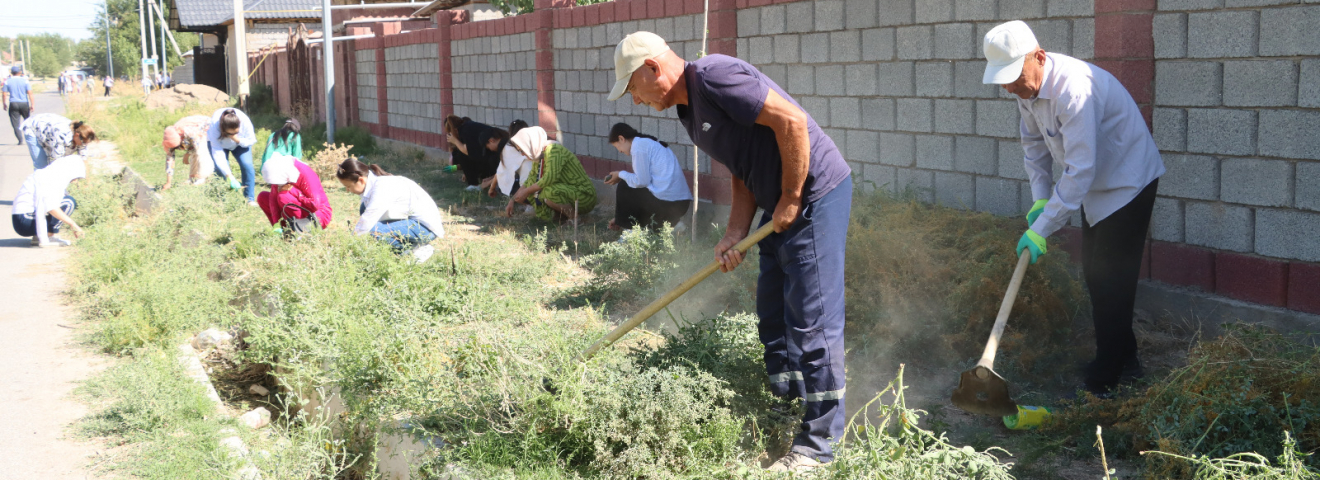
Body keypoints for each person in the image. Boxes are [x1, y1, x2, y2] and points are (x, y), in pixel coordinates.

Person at [608, 31, 852, 471]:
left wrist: (793, 197)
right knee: (772, 313)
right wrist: (734, 232)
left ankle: (818, 446)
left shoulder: (715, 77)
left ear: (652, 69)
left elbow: (792, 122)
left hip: (815, 193)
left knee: (812, 319)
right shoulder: (688, 111)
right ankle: (787, 403)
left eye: (632, 89)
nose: (635, 102)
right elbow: (743, 169)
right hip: (777, 200)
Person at [982, 21, 1165, 396]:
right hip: (1095, 186)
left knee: (1111, 279)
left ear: (1039, 56)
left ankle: (1109, 376)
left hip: (1128, 182)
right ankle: (1124, 359)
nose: (1010, 88)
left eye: (1014, 77)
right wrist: (1039, 198)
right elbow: (1033, 146)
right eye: (1003, 81)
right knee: (1096, 274)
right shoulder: (1026, 89)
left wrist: (1042, 228)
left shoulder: (1074, 90)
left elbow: (1080, 170)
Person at [335, 158, 444, 262]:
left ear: (361, 180)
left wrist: (349, 246)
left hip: (425, 228)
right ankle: (397, 252)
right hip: (410, 222)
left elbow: (367, 221)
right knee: (364, 210)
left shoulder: (382, 187)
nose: (347, 190)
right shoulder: (374, 185)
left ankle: (413, 249)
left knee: (372, 232)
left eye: (348, 186)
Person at [603, 122, 693, 232]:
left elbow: (641, 182)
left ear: (621, 139)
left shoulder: (638, 147)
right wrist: (619, 218)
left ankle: (629, 235)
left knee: (625, 186)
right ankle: (675, 225)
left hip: (669, 203)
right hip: (680, 204)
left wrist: (620, 174)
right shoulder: (646, 143)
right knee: (636, 194)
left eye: (617, 146)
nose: (619, 151)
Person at [504, 126, 597, 222]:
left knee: (548, 192)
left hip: (584, 196)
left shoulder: (554, 150)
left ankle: (575, 219)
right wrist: (513, 200)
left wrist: (526, 192)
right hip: (570, 192)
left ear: (531, 144)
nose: (522, 154)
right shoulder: (540, 154)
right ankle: (561, 217)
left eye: (522, 150)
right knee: (536, 189)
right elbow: (531, 179)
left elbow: (549, 178)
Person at [11, 155, 87, 247]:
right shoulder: (51, 178)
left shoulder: (48, 173)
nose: (75, 180)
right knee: (69, 202)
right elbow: (51, 207)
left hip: (20, 220)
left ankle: (38, 236)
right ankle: (48, 236)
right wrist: (73, 224)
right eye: (75, 176)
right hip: (25, 219)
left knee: (63, 201)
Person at [258, 153, 332, 233]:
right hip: (299, 208)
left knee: (283, 196)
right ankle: (284, 231)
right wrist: (276, 223)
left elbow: (315, 204)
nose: (276, 185)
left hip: (319, 214)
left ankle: (300, 230)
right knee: (262, 197)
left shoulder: (304, 172)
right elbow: (273, 200)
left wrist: (294, 191)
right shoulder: (279, 171)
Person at [207, 107, 258, 203]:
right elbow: (217, 152)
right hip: (220, 144)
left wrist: (237, 139)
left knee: (247, 165)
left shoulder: (244, 121)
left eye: (236, 132)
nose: (233, 134)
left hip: (241, 143)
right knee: (219, 170)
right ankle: (220, 199)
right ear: (222, 129)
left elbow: (251, 140)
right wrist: (229, 175)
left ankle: (249, 199)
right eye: (230, 133)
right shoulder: (215, 125)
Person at [161, 115, 219, 189]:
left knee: (200, 152)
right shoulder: (169, 139)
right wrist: (168, 182)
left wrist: (187, 154)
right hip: (191, 135)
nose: (176, 148)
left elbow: (196, 145)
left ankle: (203, 177)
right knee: (194, 154)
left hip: (204, 126)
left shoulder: (189, 132)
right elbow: (170, 161)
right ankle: (192, 177)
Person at [443, 115, 499, 190]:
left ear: (454, 130)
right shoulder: (467, 127)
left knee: (461, 154)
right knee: (459, 152)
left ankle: (474, 184)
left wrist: (455, 141)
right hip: (491, 157)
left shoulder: (465, 130)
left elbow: (468, 152)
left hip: (494, 158)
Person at [21, 113, 96, 170]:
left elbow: (84, 160)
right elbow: (57, 162)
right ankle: (39, 188)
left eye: (86, 143)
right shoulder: (61, 135)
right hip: (33, 128)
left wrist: (86, 181)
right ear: (77, 135)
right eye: (83, 142)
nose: (84, 145)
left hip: (49, 131)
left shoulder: (82, 138)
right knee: (41, 166)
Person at [4, 66, 33, 145]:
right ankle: (30, 138)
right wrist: (32, 104)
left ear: (11, 72)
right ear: (19, 72)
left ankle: (20, 140)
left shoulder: (7, 81)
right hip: (24, 103)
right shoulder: (25, 81)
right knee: (27, 121)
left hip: (13, 103)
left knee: (15, 123)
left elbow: (4, 93)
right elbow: (30, 93)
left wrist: (4, 103)